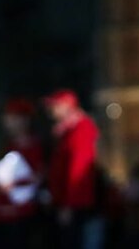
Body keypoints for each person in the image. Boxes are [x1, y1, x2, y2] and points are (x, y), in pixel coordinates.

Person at [43, 89, 103, 249]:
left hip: (78, 205)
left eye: (55, 106)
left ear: (66, 106)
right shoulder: (65, 131)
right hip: (70, 203)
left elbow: (78, 171)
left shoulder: (81, 129)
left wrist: (69, 205)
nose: (52, 111)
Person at [0, 97, 46, 248]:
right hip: (3, 215)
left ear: (24, 120)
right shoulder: (8, 145)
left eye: (12, 117)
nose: (7, 122)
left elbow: (38, 177)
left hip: (23, 215)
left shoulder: (35, 147)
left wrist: (13, 184)